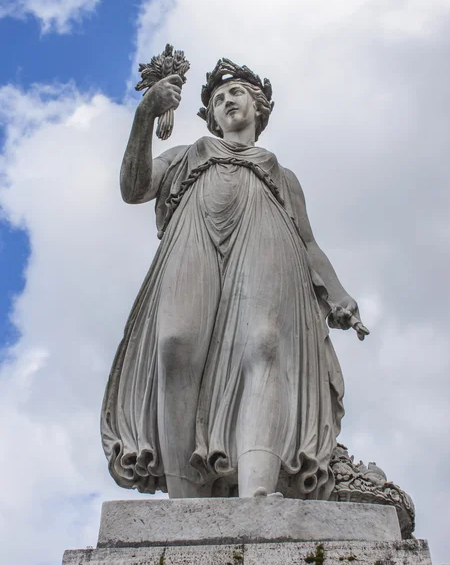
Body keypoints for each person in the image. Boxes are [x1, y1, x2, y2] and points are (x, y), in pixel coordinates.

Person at [101, 59, 367, 500]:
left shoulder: (281, 175)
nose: (227, 100)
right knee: (174, 345)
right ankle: (185, 499)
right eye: (219, 99)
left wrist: (338, 295)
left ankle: (257, 491)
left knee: (264, 345)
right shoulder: (187, 155)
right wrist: (144, 114)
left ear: (258, 107)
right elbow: (133, 188)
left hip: (265, 239)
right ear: (210, 116)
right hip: (194, 235)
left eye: (237, 92)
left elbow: (309, 242)